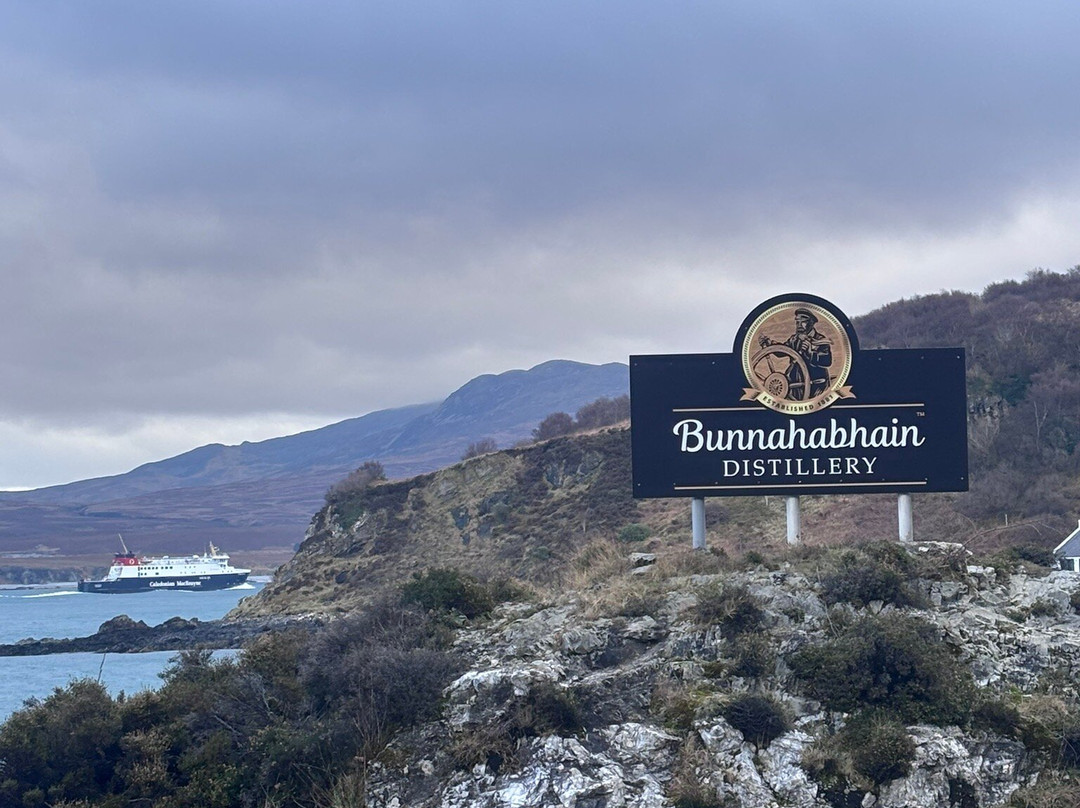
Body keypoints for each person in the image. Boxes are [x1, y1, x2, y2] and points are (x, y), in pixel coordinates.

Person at [758, 308, 833, 400]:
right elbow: (783, 351)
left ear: (811, 323)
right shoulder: (794, 340)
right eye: (797, 322)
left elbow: (827, 361)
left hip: (816, 389)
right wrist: (770, 344)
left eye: (803, 322)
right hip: (795, 388)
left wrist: (810, 353)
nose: (799, 325)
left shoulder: (820, 340)